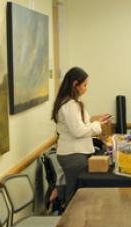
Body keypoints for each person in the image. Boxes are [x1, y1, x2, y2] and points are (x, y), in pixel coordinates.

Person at [51, 67, 110, 203]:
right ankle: (70, 223)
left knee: (74, 190)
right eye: (84, 85)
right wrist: (97, 126)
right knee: (75, 194)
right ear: (75, 84)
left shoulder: (68, 103)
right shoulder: (70, 105)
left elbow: (78, 124)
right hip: (74, 155)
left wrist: (94, 120)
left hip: (73, 153)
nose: (86, 88)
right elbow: (78, 131)